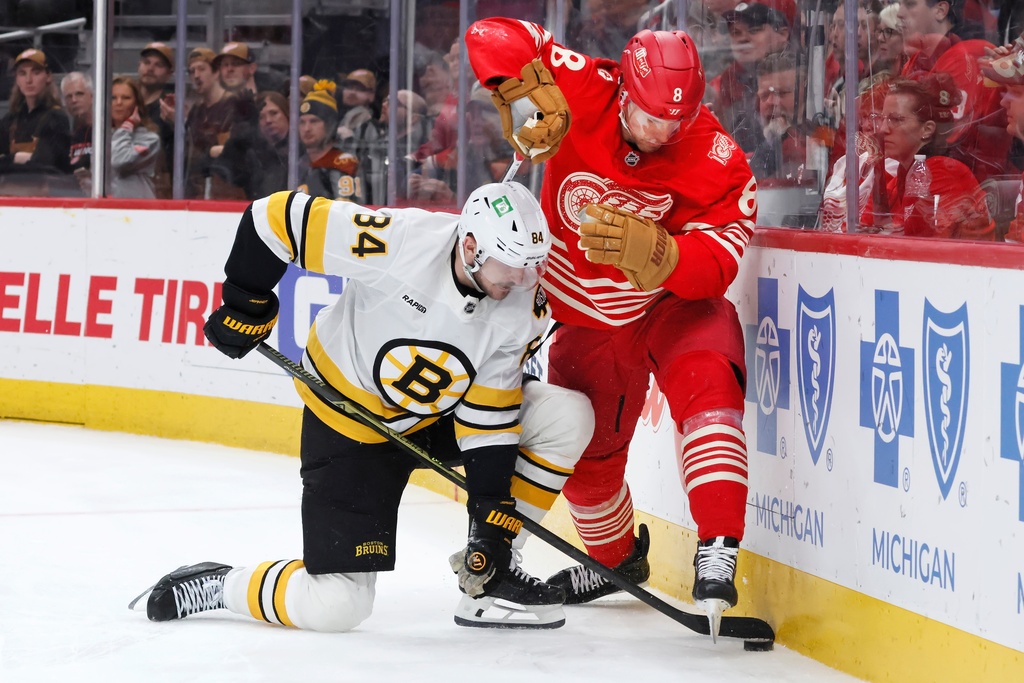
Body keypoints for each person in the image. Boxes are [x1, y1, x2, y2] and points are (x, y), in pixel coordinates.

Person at [134, 181, 594, 631]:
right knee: (336, 606)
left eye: (531, 266)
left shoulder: (522, 303)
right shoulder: (401, 242)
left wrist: (492, 518)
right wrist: (246, 300)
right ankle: (221, 585)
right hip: (349, 427)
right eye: (511, 266)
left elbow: (489, 415)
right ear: (470, 246)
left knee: (568, 416)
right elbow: (273, 218)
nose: (521, 280)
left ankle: (494, 573)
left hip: (438, 418)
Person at [466, 20, 757, 636]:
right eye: (650, 119)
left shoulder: (717, 156)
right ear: (623, 89)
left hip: (668, 306)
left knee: (709, 383)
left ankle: (719, 545)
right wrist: (517, 92)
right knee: (590, 461)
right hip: (585, 318)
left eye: (674, 123)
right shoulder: (583, 85)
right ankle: (620, 560)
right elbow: (494, 33)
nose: (661, 135)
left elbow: (724, 255)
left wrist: (669, 257)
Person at [868, 76, 994, 238]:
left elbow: (914, 241)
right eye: (882, 119)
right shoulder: (907, 169)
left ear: (927, 130)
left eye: (896, 119)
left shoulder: (942, 172)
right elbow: (875, 222)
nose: (883, 129)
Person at [0, 48, 71, 175]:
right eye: (22, 73)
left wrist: (7, 160)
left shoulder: (56, 118)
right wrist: (17, 158)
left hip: (47, 191)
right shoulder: (10, 120)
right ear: (16, 79)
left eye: (36, 72)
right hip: (9, 192)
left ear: (48, 76)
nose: (28, 80)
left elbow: (45, 164)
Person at [214, 91, 291, 199]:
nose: (268, 120)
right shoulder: (253, 152)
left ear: (287, 115)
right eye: (261, 117)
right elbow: (228, 174)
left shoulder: (299, 149)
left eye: (274, 113)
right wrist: (238, 134)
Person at [296, 80, 361, 201]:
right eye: (302, 122)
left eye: (314, 121)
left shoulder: (344, 164)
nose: (307, 128)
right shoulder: (299, 164)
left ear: (330, 125)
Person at [749, 51, 807, 181]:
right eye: (764, 95)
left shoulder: (815, 149)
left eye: (782, 93)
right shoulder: (761, 148)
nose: (771, 102)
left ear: (806, 96)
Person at [107, 76, 162, 199]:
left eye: (126, 98)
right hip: (106, 210)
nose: (119, 102)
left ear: (137, 104)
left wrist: (127, 126)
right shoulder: (101, 137)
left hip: (138, 210)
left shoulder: (150, 139)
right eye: (113, 98)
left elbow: (119, 161)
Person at [137, 42, 176, 198]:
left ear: (169, 73)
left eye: (158, 65)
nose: (150, 68)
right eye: (147, 63)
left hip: (156, 187)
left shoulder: (171, 106)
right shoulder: (125, 101)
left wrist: (176, 123)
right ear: (139, 66)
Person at [61, 71, 93, 191]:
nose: (74, 100)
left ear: (92, 96)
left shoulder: (106, 130)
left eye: (79, 94)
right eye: (69, 96)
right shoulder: (69, 134)